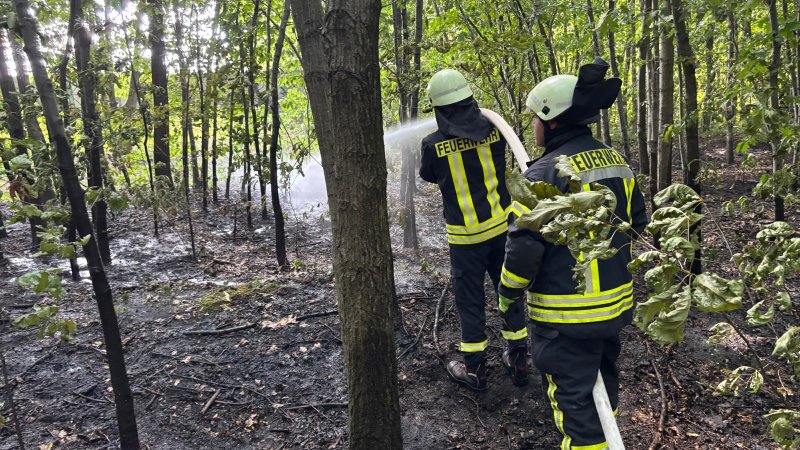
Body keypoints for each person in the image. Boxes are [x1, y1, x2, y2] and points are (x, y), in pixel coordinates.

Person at [498, 58, 648, 449]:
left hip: (565, 317)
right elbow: (636, 223)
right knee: (602, 393)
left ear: (552, 121)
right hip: (614, 310)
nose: (532, 126)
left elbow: (522, 250)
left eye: (535, 118)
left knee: (574, 409)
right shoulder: (618, 163)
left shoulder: (542, 175)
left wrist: (507, 294)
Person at [420, 69, 529, 392]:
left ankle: (476, 370)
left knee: (469, 300)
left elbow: (429, 176)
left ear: (439, 108)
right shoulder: (493, 130)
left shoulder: (431, 144)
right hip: (502, 231)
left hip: (465, 239)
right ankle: (519, 360)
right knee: (508, 292)